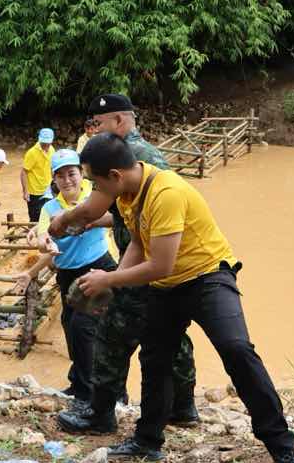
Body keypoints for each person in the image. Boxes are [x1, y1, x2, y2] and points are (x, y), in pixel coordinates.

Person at [73, 133, 294, 463]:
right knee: (155, 359)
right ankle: (148, 440)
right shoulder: (128, 194)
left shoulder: (166, 193)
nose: (94, 190)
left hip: (207, 277)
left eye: (95, 181)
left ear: (114, 175)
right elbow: (139, 246)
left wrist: (110, 281)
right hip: (166, 287)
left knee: (237, 350)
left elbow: (160, 263)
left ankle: (286, 453)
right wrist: (113, 278)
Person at [50, 94, 198, 437]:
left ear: (119, 121)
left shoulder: (125, 156)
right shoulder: (142, 153)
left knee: (112, 332)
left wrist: (63, 221)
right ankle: (182, 405)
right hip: (157, 256)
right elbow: (123, 217)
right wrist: (95, 225)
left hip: (149, 261)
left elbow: (92, 206)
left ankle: (102, 413)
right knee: (170, 334)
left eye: (97, 124)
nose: (93, 132)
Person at [25, 149, 116, 406]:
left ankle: (92, 393)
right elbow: (44, 237)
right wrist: (45, 244)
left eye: (72, 173)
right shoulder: (50, 207)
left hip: (97, 266)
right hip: (67, 273)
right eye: (61, 176)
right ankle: (79, 383)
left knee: (84, 327)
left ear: (81, 174)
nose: (67, 180)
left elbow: (118, 218)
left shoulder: (95, 195)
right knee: (69, 324)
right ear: (54, 180)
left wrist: (89, 220)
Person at [20, 128, 55, 222]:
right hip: (34, 192)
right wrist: (25, 191)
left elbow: (52, 168)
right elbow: (24, 172)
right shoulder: (32, 153)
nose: (46, 145)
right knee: (35, 219)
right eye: (44, 143)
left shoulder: (52, 150)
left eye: (48, 143)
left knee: (48, 217)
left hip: (48, 190)